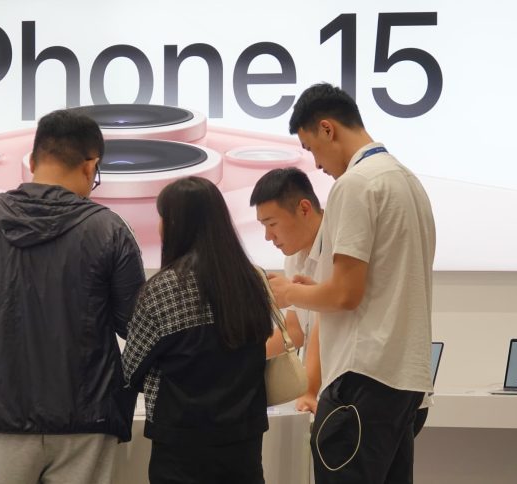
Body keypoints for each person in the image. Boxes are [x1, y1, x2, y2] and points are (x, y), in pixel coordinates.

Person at [0, 109, 145, 484]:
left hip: (3, 415)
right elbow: (132, 324)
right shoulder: (110, 229)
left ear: (33, 161)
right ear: (90, 166)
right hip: (87, 418)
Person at [269, 83, 436, 484]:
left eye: (311, 148)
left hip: (361, 380)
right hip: (406, 384)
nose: (317, 164)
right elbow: (373, 285)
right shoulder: (410, 182)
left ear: (327, 129)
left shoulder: (356, 184)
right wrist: (313, 290)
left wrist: (291, 292)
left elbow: (346, 294)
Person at [122, 176, 274, 484]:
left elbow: (130, 369)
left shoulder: (164, 289)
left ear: (176, 224)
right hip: (243, 440)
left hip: (181, 445)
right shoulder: (251, 281)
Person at [250, 167, 324, 414]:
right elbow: (294, 330)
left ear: (304, 209)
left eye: (272, 224)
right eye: (263, 226)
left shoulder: (339, 244)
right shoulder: (295, 256)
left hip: (350, 389)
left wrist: (310, 390)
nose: (268, 236)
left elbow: (325, 321)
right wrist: (241, 358)